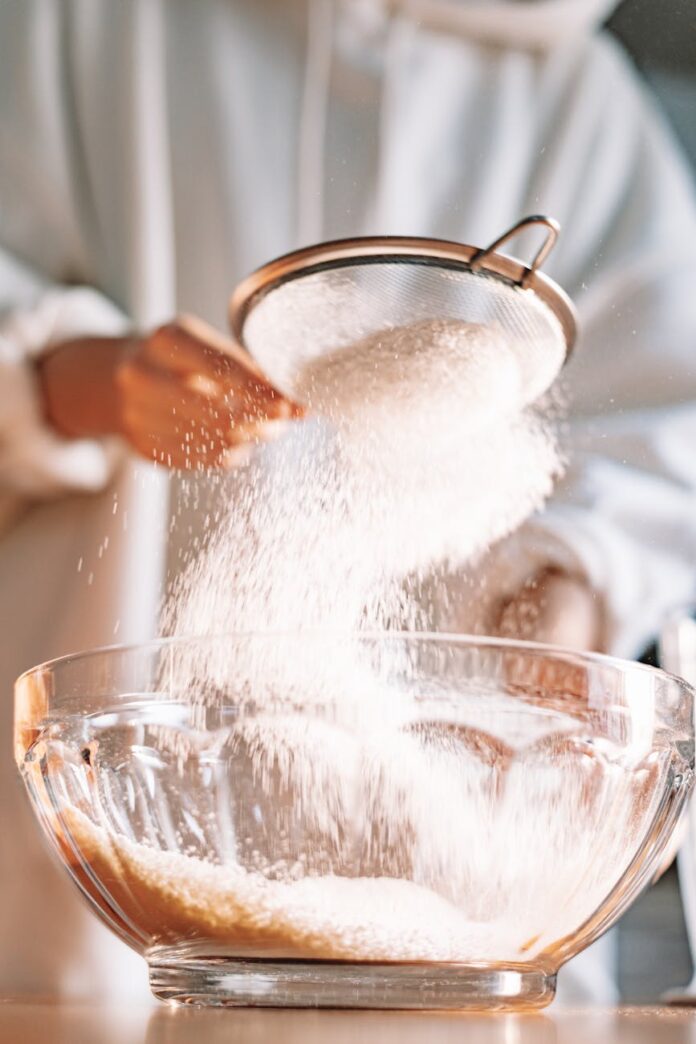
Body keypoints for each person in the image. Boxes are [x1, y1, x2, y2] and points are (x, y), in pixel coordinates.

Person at [1, 0, 696, 1003]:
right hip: (103, 873)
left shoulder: (572, 98)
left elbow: (670, 428)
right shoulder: (79, 21)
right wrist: (79, 378)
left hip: (471, 886)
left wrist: (562, 593)